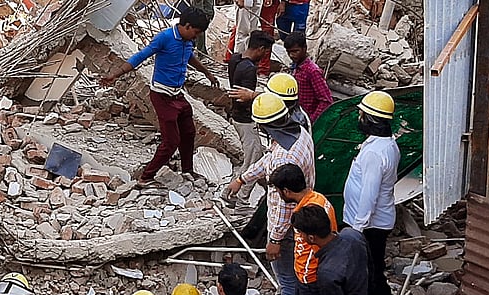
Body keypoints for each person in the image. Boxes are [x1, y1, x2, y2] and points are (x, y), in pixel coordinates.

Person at [223, 93, 315, 295]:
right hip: (298, 219)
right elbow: (268, 161)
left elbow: (285, 205)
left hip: (287, 228)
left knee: (287, 283)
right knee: (293, 278)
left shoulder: (285, 156)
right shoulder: (297, 134)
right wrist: (242, 179)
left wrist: (274, 239)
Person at [100, 7, 218, 186]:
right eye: (195, 32)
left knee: (189, 132)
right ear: (186, 26)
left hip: (177, 94)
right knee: (171, 141)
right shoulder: (164, 38)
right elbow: (140, 56)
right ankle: (146, 177)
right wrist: (115, 75)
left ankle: (187, 170)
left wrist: (207, 73)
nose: (196, 37)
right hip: (162, 95)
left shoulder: (187, 40)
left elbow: (190, 57)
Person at [343, 90, 400, 295]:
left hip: (370, 226)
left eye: (362, 114)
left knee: (372, 275)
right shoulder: (384, 145)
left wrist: (357, 228)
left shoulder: (375, 153)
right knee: (370, 272)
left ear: (371, 120)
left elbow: (369, 194)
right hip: (374, 223)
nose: (359, 118)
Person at [269, 163, 337, 295]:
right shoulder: (319, 200)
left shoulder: (307, 214)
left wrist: (306, 277)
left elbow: (313, 247)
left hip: (310, 278)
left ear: (286, 191)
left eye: (278, 191)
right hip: (308, 276)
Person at [228, 31, 274, 187]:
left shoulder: (235, 59)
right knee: (251, 162)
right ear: (260, 49)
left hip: (236, 116)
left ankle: (263, 185)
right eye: (266, 52)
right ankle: (236, 194)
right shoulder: (249, 69)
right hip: (246, 120)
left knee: (256, 155)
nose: (266, 55)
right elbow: (244, 98)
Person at [284, 31, 332, 123]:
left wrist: (311, 120)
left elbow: (326, 100)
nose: (291, 55)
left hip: (308, 118)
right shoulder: (296, 67)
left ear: (304, 48)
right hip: (298, 116)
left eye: (295, 51)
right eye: (288, 52)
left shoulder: (312, 71)